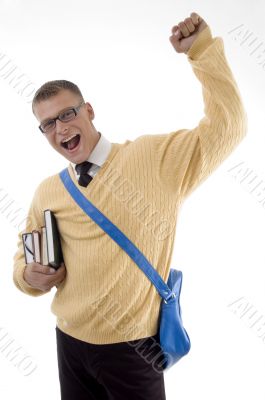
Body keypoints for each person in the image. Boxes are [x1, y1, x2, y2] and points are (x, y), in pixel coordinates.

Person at [13, 11, 247, 400]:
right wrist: (28, 278)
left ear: (89, 111)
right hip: (69, 342)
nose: (61, 129)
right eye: (48, 124)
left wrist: (202, 52)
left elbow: (230, 125)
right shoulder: (48, 191)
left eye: (68, 114)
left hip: (135, 349)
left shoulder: (155, 159)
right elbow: (23, 260)